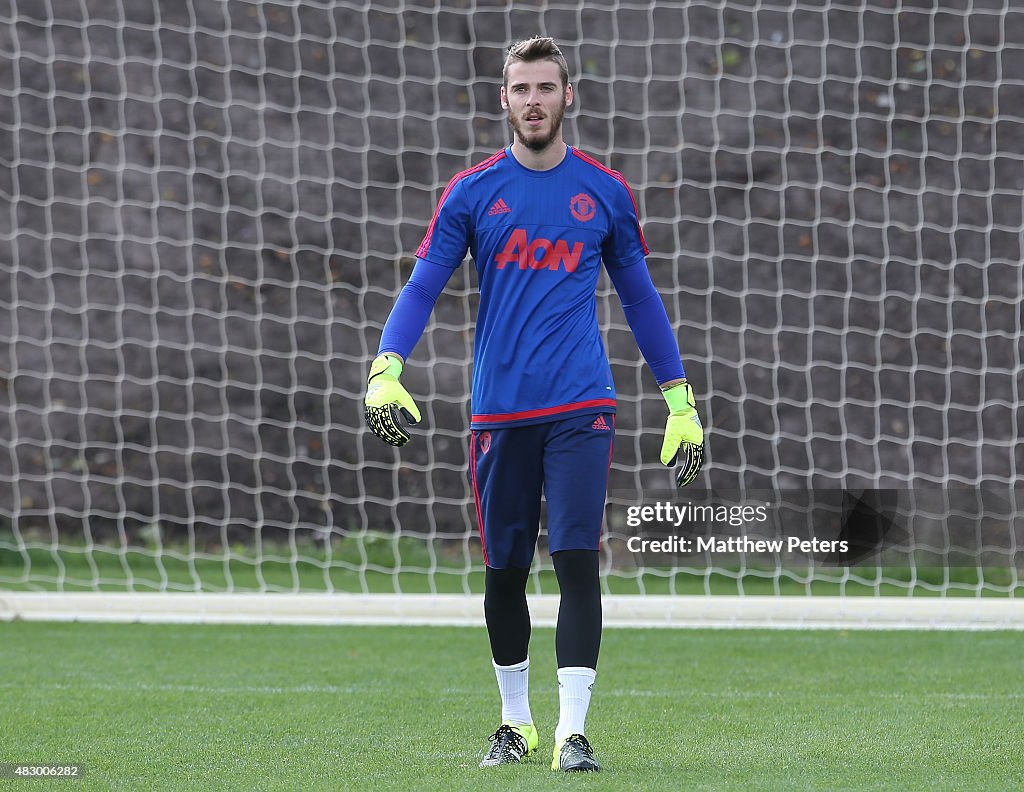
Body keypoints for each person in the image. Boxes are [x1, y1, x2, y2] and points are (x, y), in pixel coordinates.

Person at [364, 36, 705, 773]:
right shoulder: (472, 192)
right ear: (504, 99)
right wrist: (387, 367)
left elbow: (640, 297)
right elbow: (423, 284)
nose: (534, 101)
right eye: (521, 89)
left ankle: (572, 734)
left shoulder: (604, 192)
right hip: (499, 412)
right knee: (505, 571)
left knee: (578, 562)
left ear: (567, 95)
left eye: (546, 88)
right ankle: (514, 725)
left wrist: (679, 398)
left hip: (583, 408)